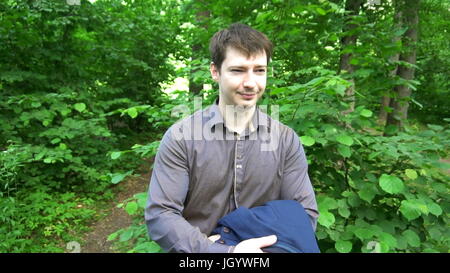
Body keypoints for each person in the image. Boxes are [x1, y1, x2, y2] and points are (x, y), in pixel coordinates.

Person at [144, 23, 318, 253]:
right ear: (215, 71)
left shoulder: (285, 140)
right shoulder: (181, 138)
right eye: (238, 70)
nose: (250, 82)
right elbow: (161, 215)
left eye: (259, 70)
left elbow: (303, 214)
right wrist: (226, 253)